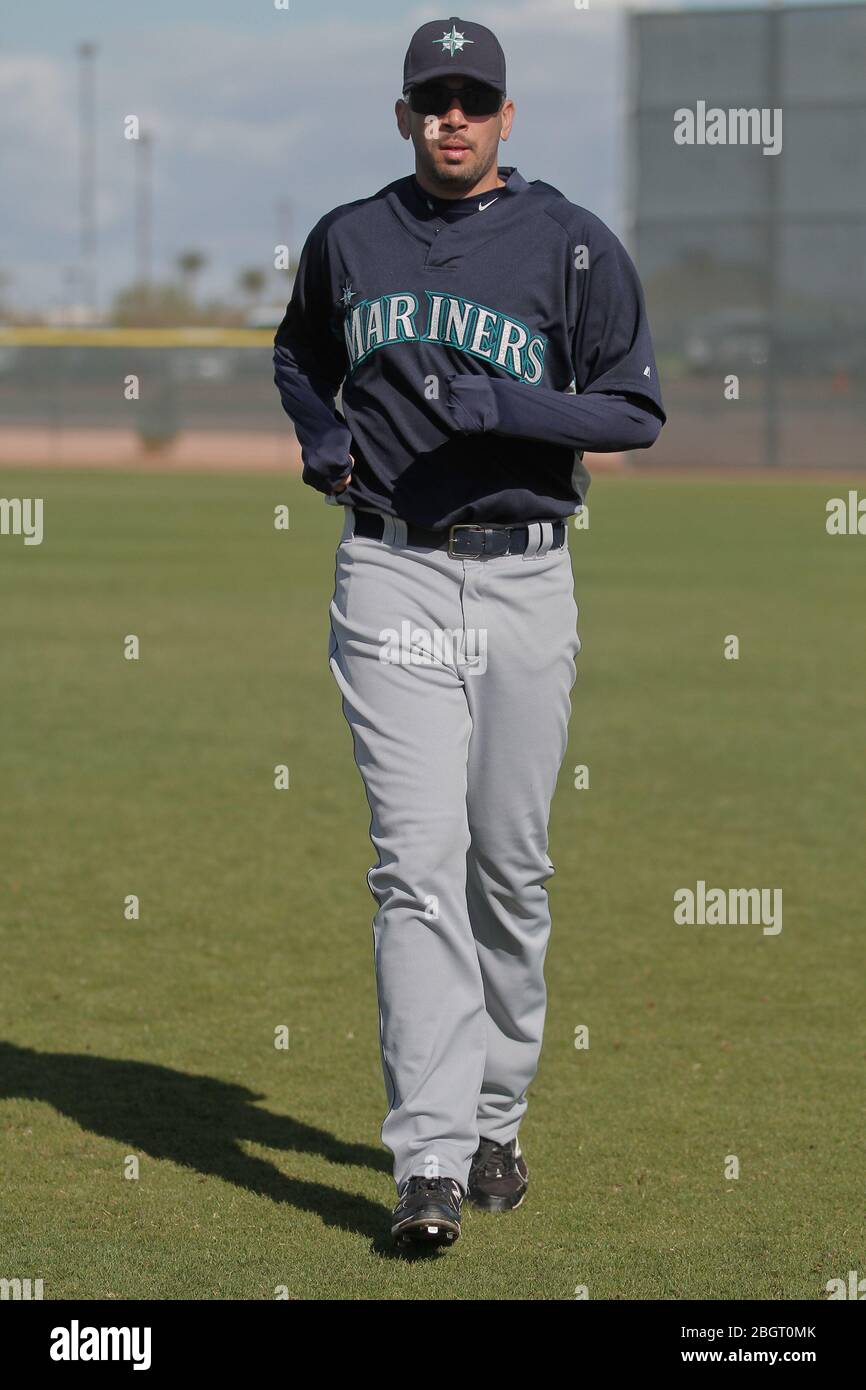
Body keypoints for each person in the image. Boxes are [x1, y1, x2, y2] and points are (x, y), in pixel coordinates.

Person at [273, 15, 665, 1248]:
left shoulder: (571, 247)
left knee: (508, 866)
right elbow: (297, 355)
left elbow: (635, 410)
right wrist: (323, 437)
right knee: (415, 861)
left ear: (505, 117)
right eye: (430, 98)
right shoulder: (350, 237)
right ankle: (428, 1158)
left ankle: (497, 1116)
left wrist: (507, 403)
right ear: (402, 115)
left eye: (472, 99)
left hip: (523, 579)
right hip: (388, 574)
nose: (451, 116)